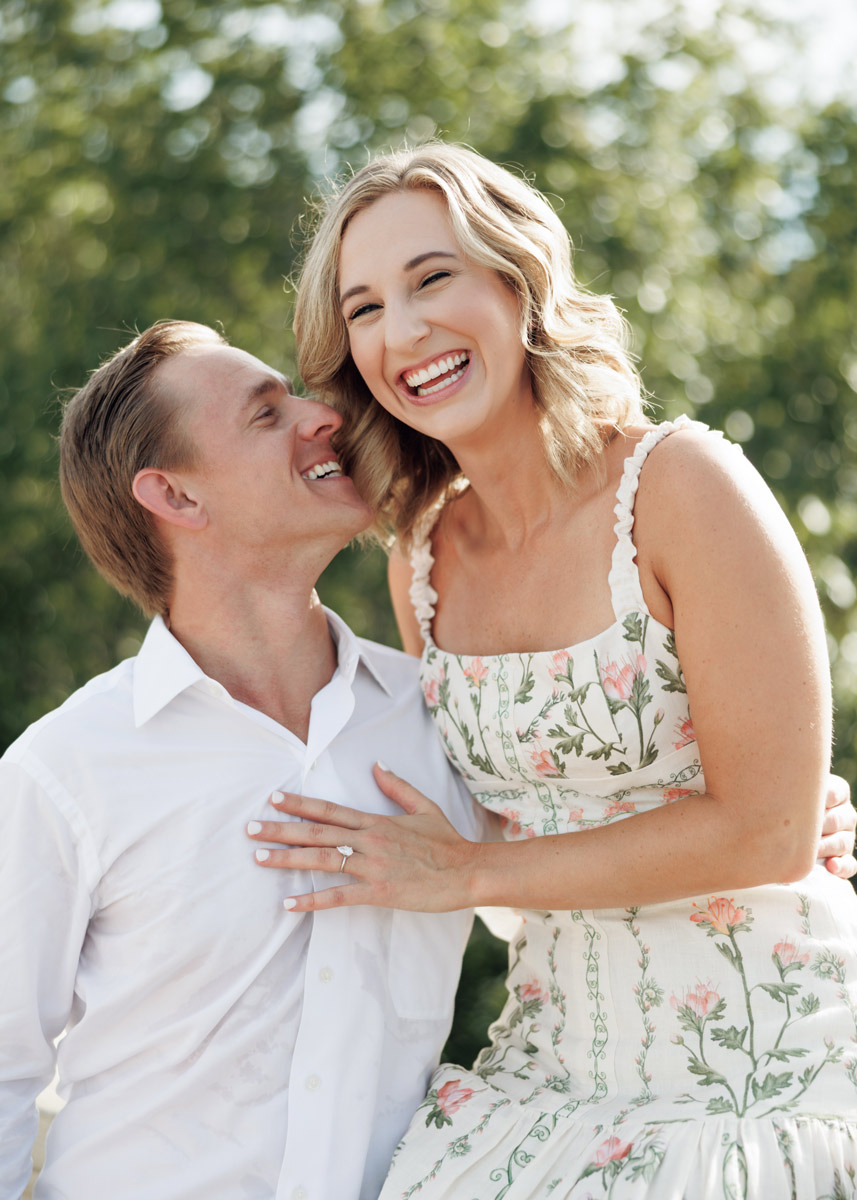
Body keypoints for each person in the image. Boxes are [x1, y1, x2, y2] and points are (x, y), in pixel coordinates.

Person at [249, 144, 857, 1197]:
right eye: (364, 308)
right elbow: (513, 817)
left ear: (518, 284)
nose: (403, 332)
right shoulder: (420, 560)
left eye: (433, 278)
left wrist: (470, 874)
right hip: (547, 1076)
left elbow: (765, 829)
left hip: (762, 1073)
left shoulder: (682, 485)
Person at [0, 320, 485, 1200]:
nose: (324, 416)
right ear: (177, 498)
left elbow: (570, 905)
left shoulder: (440, 717)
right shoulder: (65, 770)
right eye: (267, 414)